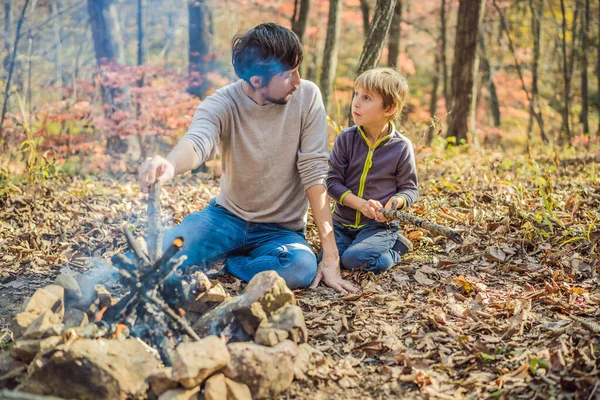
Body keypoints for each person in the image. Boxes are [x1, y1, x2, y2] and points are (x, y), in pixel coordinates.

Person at [138, 23, 358, 293]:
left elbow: (314, 172)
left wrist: (331, 255)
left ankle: (231, 263)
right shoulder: (222, 103)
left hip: (281, 232)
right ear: (257, 81)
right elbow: (197, 142)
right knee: (152, 257)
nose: (298, 81)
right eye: (289, 74)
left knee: (300, 267)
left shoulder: (307, 96)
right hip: (223, 220)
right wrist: (170, 165)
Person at [326, 67, 418, 273]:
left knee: (354, 260)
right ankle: (365, 248)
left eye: (367, 98)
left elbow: (410, 189)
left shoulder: (401, 147)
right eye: (356, 95)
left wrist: (396, 203)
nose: (356, 102)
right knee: (327, 260)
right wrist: (360, 204)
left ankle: (396, 249)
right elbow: (332, 182)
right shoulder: (346, 139)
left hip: (377, 226)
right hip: (341, 224)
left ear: (389, 109)